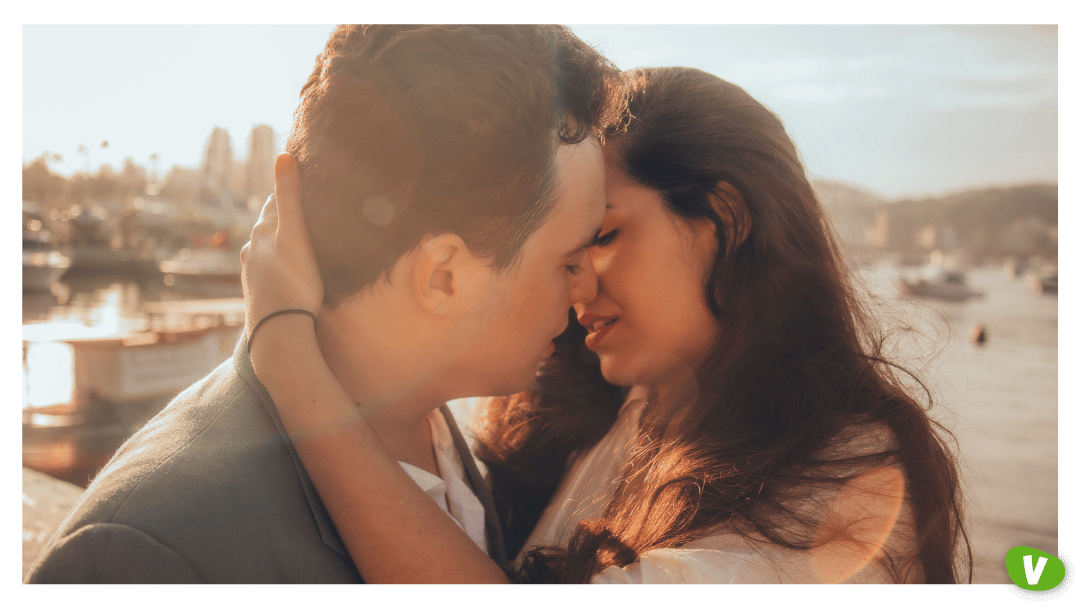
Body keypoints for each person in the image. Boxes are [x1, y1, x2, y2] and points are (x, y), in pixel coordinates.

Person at [243, 66, 972, 585]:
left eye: (606, 234)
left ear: (725, 218)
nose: (576, 275)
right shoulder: (629, 409)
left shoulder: (841, 486)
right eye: (568, 244)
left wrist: (284, 346)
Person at [25, 24, 626, 584]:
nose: (585, 292)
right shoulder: (148, 550)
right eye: (569, 263)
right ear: (443, 276)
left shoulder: (431, 427)